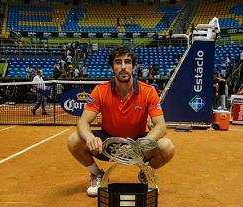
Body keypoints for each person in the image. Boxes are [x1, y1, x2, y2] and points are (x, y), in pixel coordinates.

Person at [67, 45, 174, 197]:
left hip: (138, 144)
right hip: (109, 143)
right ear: (112, 67)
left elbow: (161, 126)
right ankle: (97, 174)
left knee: (167, 147)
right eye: (118, 62)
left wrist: (141, 145)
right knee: (74, 140)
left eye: (127, 62)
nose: (123, 67)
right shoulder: (100, 91)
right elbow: (83, 122)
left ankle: (145, 174)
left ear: (133, 66)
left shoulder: (149, 91)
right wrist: (90, 137)